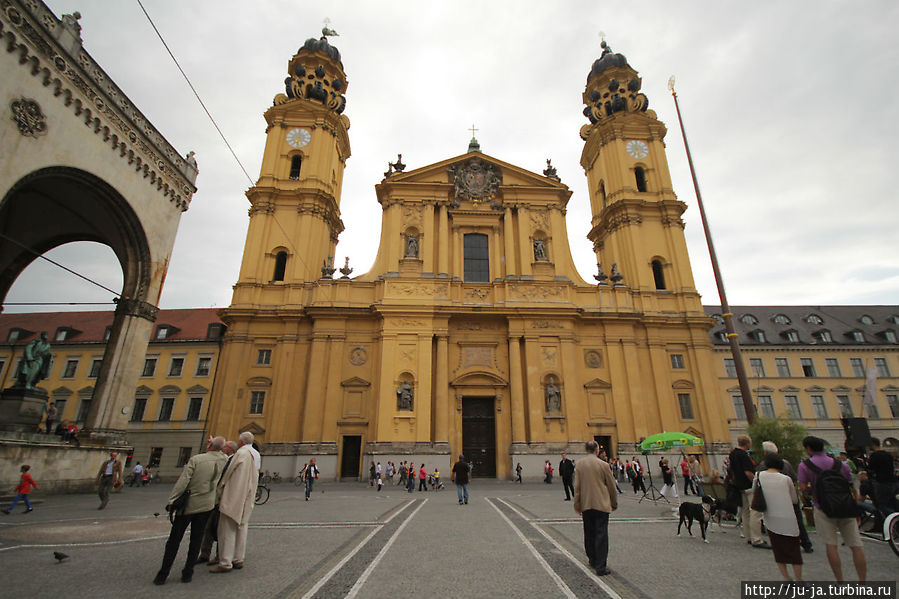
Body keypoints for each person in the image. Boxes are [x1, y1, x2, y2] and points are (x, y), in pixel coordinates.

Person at [153, 436, 228, 585]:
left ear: (209, 446)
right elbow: (226, 453)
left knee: (174, 540)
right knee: (196, 539)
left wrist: (172, 501)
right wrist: (215, 446)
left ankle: (163, 574)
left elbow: (183, 482)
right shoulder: (224, 460)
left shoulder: (196, 460)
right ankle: (188, 573)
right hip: (207, 505)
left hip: (188, 505)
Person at [798, 436, 866, 582]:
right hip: (845, 506)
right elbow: (851, 485)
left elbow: (803, 488)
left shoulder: (805, 466)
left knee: (831, 545)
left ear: (809, 448)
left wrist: (813, 487)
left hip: (823, 508)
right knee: (856, 545)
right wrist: (855, 507)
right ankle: (863, 583)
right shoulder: (841, 464)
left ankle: (840, 582)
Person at [211, 432, 258, 573]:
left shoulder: (240, 454)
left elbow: (226, 475)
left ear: (241, 442)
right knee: (242, 527)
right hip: (246, 496)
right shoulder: (253, 455)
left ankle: (225, 562)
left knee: (227, 530)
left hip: (234, 496)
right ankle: (238, 558)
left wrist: (219, 492)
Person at [574, 440, 618, 576]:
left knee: (589, 533)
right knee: (601, 534)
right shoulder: (604, 465)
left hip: (586, 504)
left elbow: (577, 487)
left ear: (586, 450)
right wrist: (614, 502)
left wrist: (577, 504)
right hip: (601, 504)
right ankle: (600, 566)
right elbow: (611, 486)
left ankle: (592, 559)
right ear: (597, 450)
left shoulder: (580, 465)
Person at [757, 454, 803, 581]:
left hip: (770, 517)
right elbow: (794, 499)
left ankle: (786, 578)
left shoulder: (759, 476)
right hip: (788, 517)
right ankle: (799, 579)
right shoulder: (785, 479)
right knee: (794, 551)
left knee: (778, 550)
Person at [762, 441, 812, 553]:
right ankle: (806, 543)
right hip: (789, 496)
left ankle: (784, 544)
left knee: (777, 522)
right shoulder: (786, 463)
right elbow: (794, 479)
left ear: (765, 453)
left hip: (773, 499)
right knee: (797, 520)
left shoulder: (763, 466)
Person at [197, 440, 237, 565]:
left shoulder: (232, 461)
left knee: (221, 528)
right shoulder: (223, 459)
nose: (223, 448)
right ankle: (205, 554)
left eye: (224, 446)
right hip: (213, 499)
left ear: (229, 449)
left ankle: (220, 555)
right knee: (208, 528)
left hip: (223, 500)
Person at [727, 435, 763, 546]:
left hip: (739, 486)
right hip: (748, 486)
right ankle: (756, 538)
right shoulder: (743, 455)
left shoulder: (732, 454)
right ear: (747, 444)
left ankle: (748, 536)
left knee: (745, 511)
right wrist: (755, 481)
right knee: (754, 512)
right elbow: (748, 472)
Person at [867, 437, 898, 518]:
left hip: (882, 482)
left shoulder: (875, 455)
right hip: (892, 482)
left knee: (881, 506)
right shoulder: (888, 454)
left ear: (872, 444)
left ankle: (894, 518)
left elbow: (870, 468)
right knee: (892, 503)